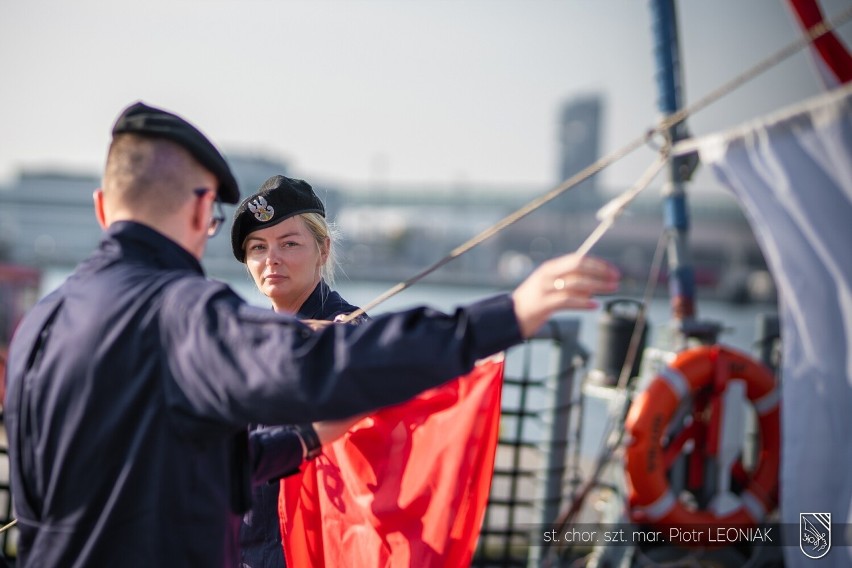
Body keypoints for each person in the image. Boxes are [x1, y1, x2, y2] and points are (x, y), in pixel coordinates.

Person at [3, 101, 620, 567]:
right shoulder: (188, 315)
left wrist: (303, 438)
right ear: (200, 213)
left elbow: (174, 462)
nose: (271, 259)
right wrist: (509, 315)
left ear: (101, 209)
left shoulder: (38, 327)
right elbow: (337, 366)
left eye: (289, 243)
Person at [231, 174, 367, 568]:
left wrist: (350, 356)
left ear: (323, 250)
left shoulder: (352, 334)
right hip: (244, 546)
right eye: (258, 247)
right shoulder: (245, 338)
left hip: (313, 548)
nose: (271, 259)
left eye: (289, 243)